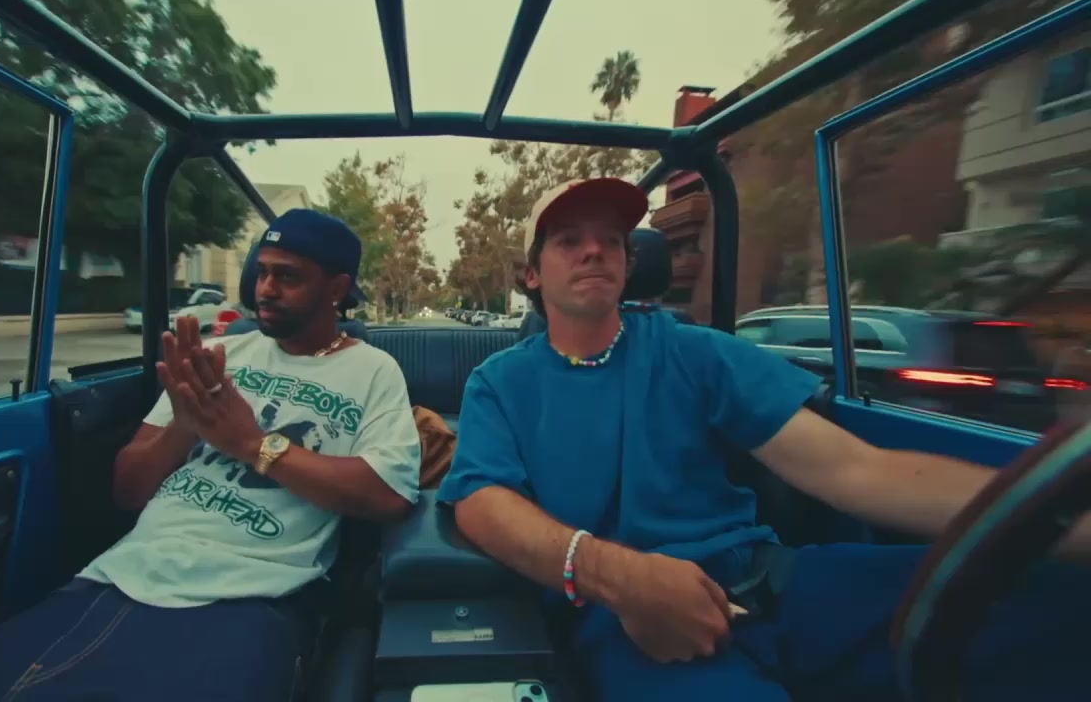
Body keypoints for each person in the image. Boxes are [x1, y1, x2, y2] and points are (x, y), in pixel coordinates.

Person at [436, 178, 1091, 701]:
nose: (594, 251)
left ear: (629, 263)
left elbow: (856, 470)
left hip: (776, 583)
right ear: (532, 274)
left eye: (611, 239)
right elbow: (480, 502)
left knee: (1057, 604)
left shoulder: (695, 352)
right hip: (632, 622)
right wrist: (621, 578)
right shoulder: (501, 382)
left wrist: (1051, 520)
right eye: (568, 240)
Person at [0, 209, 421, 701]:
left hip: (254, 596)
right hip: (118, 575)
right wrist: (185, 425)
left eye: (288, 276)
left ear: (337, 289)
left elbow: (389, 495)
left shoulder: (371, 370)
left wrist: (252, 445)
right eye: (262, 272)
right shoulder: (220, 355)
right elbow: (128, 490)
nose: (266, 288)